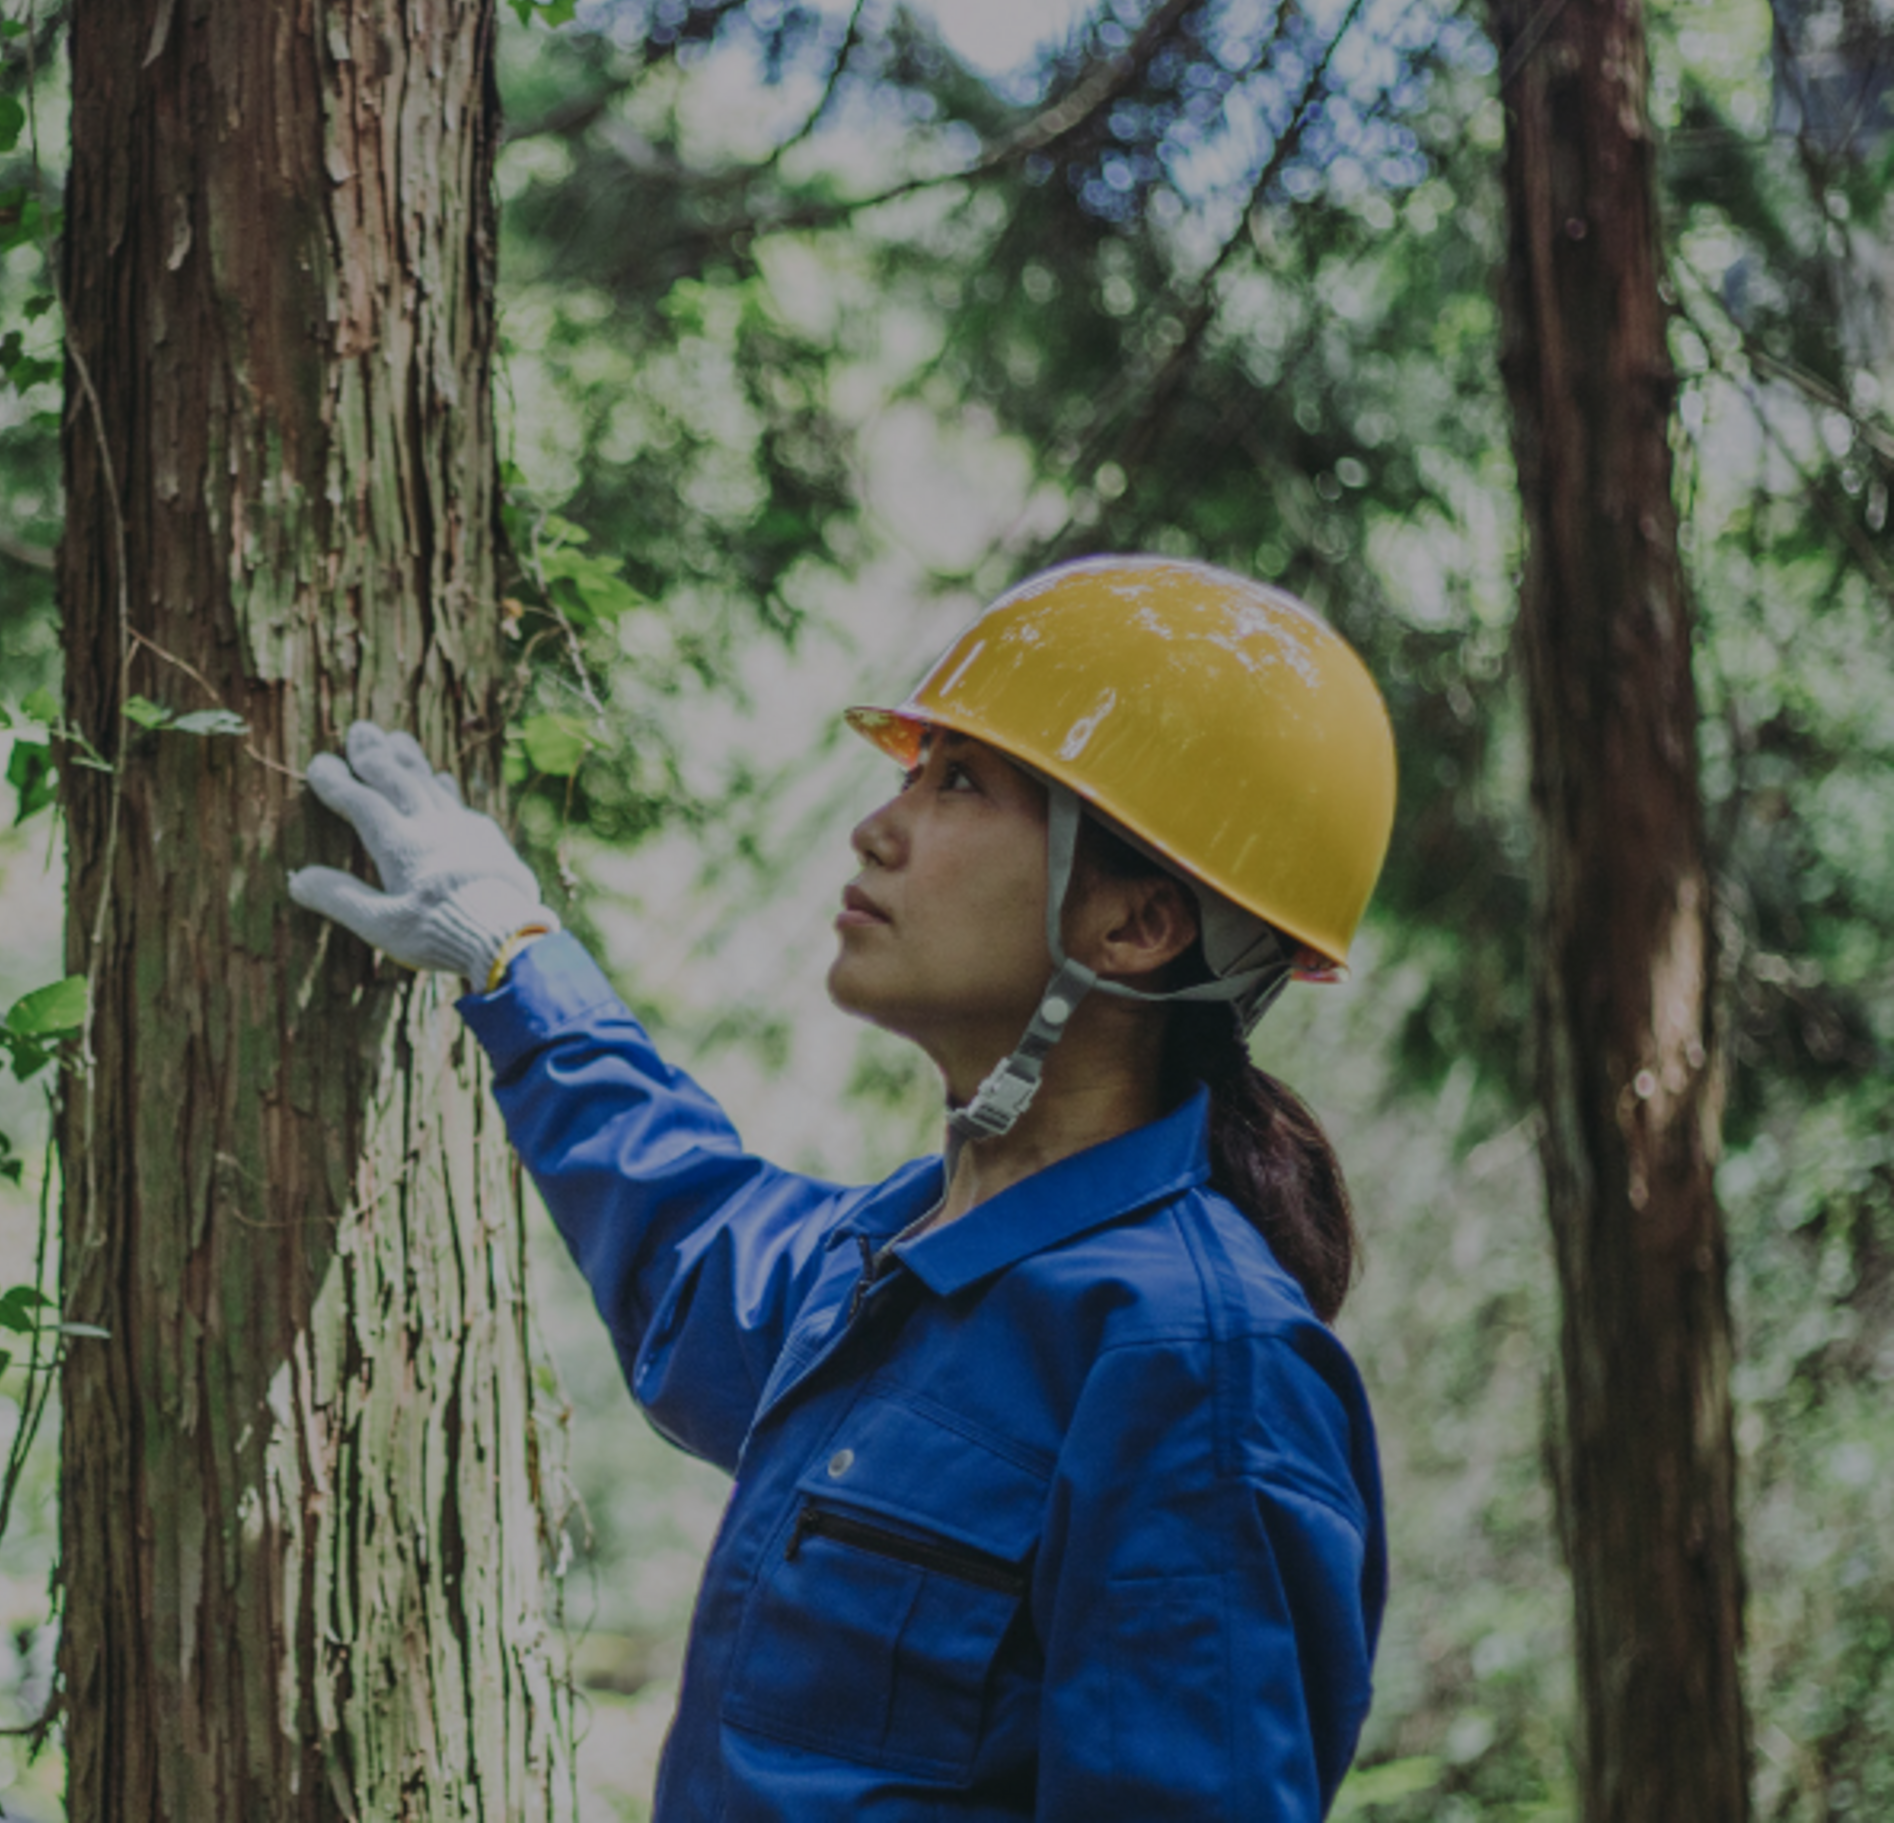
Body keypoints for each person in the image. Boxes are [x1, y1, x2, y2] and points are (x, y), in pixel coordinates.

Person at [287, 555, 1395, 1821]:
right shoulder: (893, 1256)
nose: (881, 823)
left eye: (963, 781)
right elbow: (689, 1231)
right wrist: (514, 956)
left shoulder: (1195, 1364)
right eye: (913, 771)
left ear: (1137, 926)